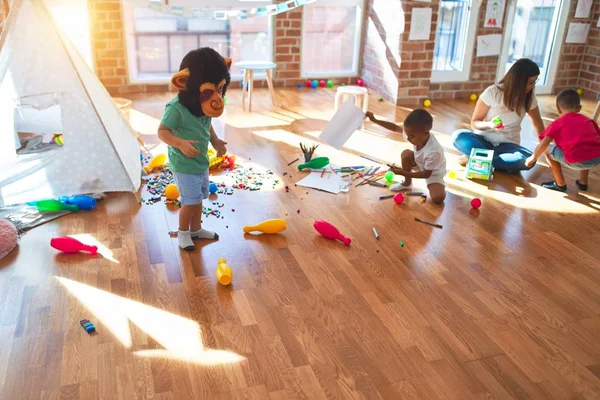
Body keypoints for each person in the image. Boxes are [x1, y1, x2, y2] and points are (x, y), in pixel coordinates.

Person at [157, 48, 231, 250]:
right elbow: (162, 131)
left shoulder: (203, 106)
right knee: (189, 202)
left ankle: (196, 229)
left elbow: (207, 125)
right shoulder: (176, 109)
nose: (216, 98)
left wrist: (215, 142)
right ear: (185, 83)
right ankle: (183, 233)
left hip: (200, 162)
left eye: (219, 90)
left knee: (198, 200)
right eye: (208, 92)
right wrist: (180, 143)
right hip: (183, 164)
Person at [452, 58, 546, 172]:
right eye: (531, 82)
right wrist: (490, 124)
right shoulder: (493, 92)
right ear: (520, 80)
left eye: (535, 82)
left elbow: (538, 125)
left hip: (508, 145)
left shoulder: (529, 98)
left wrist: (544, 149)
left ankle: (477, 158)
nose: (532, 87)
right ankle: (492, 160)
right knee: (458, 137)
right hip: (483, 139)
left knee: (527, 159)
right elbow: (474, 123)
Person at [525, 88, 600, 192]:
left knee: (548, 149)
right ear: (579, 108)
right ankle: (583, 183)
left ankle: (560, 184)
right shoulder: (589, 121)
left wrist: (533, 158)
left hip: (575, 161)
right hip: (596, 158)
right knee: (585, 146)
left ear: (558, 109)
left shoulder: (557, 124)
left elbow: (544, 143)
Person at [366, 109, 447, 204]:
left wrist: (402, 172)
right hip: (420, 163)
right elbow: (395, 128)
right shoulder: (415, 134)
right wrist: (374, 120)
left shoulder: (434, 151)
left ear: (425, 132)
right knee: (406, 154)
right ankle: (407, 184)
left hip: (433, 173)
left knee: (438, 198)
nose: (408, 139)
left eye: (411, 136)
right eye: (407, 135)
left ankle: (437, 185)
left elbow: (426, 174)